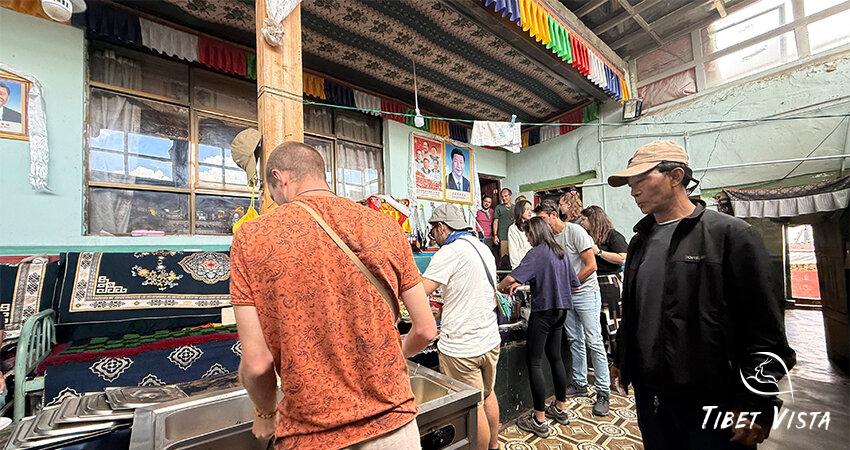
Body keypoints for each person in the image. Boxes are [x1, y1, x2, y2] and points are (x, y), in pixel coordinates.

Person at [230, 141, 438, 450]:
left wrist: (264, 412)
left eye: (272, 192)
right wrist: (396, 354)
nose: (275, 200)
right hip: (394, 426)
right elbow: (425, 329)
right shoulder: (386, 227)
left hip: (311, 435)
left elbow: (257, 364)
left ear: (281, 178)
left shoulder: (251, 238)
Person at [608, 140, 796, 449]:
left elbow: (766, 334)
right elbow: (634, 312)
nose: (633, 189)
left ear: (676, 176)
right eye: (630, 183)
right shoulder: (640, 241)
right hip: (651, 395)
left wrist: (757, 402)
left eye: (641, 179)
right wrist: (622, 359)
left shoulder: (731, 236)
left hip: (712, 401)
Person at [422, 204, 502, 450]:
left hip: (462, 348)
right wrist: (443, 310)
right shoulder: (482, 247)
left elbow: (420, 291)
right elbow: (470, 291)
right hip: (489, 340)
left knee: (472, 406)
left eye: (432, 230)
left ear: (442, 227)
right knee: (487, 395)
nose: (432, 236)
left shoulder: (450, 251)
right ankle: (495, 446)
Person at [497, 217, 580, 438]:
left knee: (534, 361)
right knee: (555, 358)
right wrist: (523, 283)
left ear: (535, 232)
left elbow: (509, 279)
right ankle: (561, 409)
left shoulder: (537, 252)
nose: (527, 238)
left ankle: (539, 418)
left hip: (543, 312)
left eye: (528, 234)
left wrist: (499, 287)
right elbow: (571, 282)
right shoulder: (559, 251)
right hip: (562, 310)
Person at [535, 199, 611, 416]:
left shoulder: (575, 231)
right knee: (575, 340)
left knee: (593, 340)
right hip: (566, 296)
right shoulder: (548, 239)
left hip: (586, 293)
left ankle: (603, 391)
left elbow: (591, 265)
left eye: (542, 220)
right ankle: (579, 382)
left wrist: (568, 285)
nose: (541, 225)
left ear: (552, 215)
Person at [579, 206, 628, 360]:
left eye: (584, 219)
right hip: (593, 282)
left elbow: (622, 257)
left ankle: (617, 358)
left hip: (610, 281)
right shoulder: (586, 236)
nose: (582, 222)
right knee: (597, 321)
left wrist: (599, 252)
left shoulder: (612, 236)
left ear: (594, 219)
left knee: (612, 322)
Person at [508, 200, 533, 269]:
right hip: (523, 264)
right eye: (527, 209)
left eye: (530, 209)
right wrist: (516, 269)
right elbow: (513, 250)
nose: (530, 212)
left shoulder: (533, 225)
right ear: (520, 210)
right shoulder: (513, 228)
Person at [492, 188, 514, 266]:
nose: (504, 198)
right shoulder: (499, 207)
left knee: (514, 257)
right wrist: (495, 235)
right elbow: (495, 221)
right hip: (503, 237)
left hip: (513, 237)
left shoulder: (515, 208)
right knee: (504, 258)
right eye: (502, 196)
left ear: (510, 196)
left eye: (506, 196)